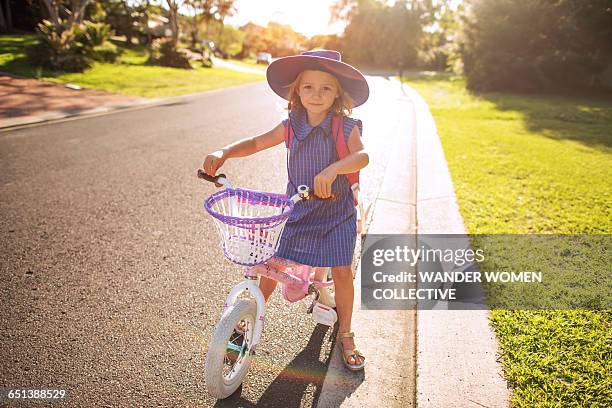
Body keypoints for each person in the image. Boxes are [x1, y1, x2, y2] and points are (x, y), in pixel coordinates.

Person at [202, 50, 370, 371]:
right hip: (296, 210)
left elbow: (362, 157)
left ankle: (346, 332)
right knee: (270, 264)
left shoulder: (345, 127)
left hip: (337, 214)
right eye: (308, 87)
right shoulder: (291, 126)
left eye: (325, 88)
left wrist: (334, 169)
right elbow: (254, 143)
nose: (316, 94)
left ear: (337, 93)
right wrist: (224, 152)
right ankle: (247, 322)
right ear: (297, 91)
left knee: (341, 271)